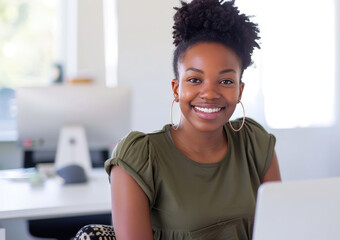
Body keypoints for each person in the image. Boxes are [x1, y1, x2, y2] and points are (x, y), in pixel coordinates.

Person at [105, 0, 281, 239]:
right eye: (195, 80)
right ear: (176, 89)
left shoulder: (255, 144)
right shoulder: (139, 158)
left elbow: (279, 229)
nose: (209, 93)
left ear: (240, 91)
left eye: (226, 81)